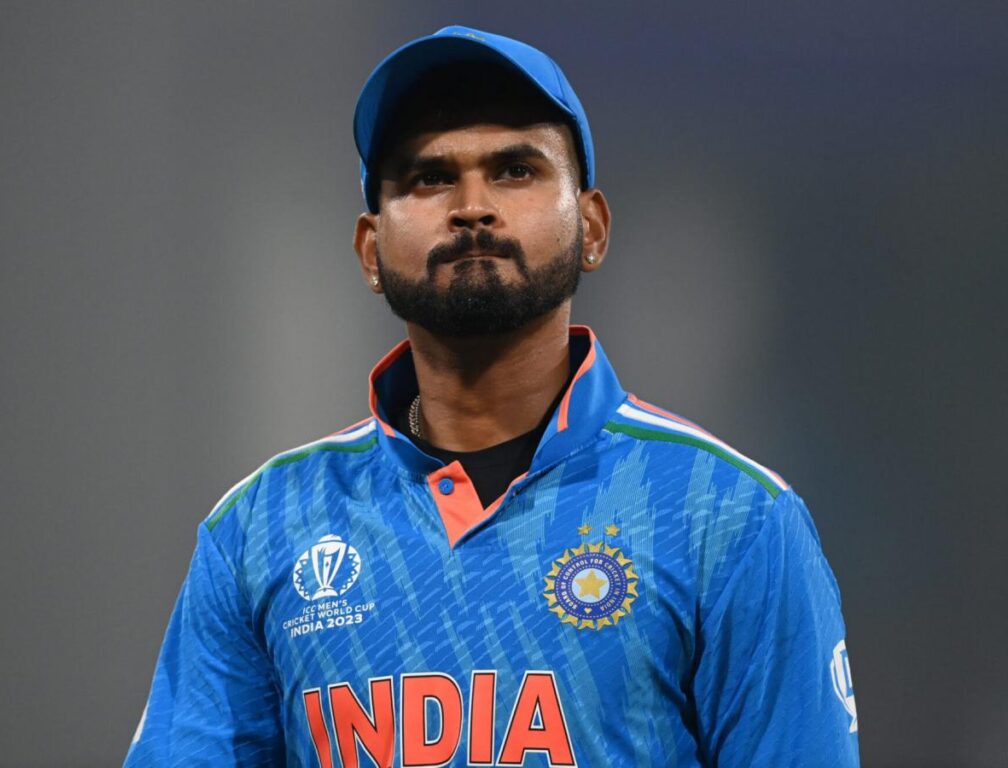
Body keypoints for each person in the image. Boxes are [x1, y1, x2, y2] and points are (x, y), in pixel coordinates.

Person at [125, 25, 860, 768]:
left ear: (593, 228)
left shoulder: (730, 517)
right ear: (370, 251)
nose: (472, 206)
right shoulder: (259, 529)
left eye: (515, 170)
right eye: (429, 178)